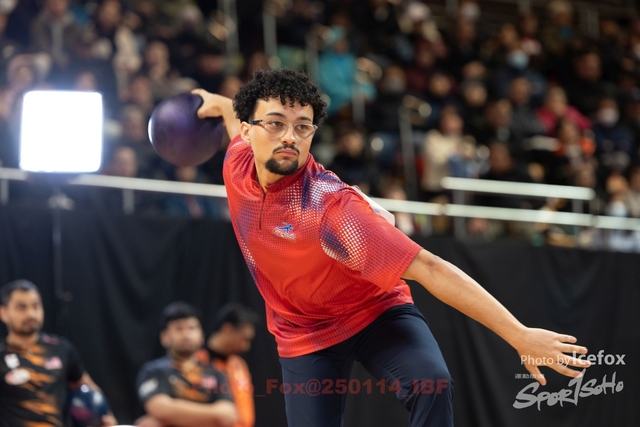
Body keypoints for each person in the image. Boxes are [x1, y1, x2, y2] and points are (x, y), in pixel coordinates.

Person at [191, 69, 591, 427]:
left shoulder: (332, 210)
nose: (289, 137)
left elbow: (431, 269)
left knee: (432, 384)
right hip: (303, 330)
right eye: (276, 124)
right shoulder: (237, 163)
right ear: (247, 131)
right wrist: (215, 101)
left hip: (373, 312)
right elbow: (231, 112)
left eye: (303, 127)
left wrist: (520, 335)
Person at [0, 279, 117, 427]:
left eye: (36, 306)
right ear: (4, 313)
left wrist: (106, 416)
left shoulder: (61, 348)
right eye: (21, 307)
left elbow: (85, 384)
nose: (31, 313)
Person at [135, 301, 237, 427]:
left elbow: (228, 416)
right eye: (179, 329)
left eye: (192, 328)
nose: (186, 334)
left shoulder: (216, 373)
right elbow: (160, 409)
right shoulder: (153, 371)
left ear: (201, 335)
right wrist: (213, 416)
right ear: (164, 337)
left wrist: (171, 417)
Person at [197, 303, 259, 427]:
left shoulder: (239, 365)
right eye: (244, 339)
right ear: (227, 329)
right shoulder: (196, 364)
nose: (246, 346)